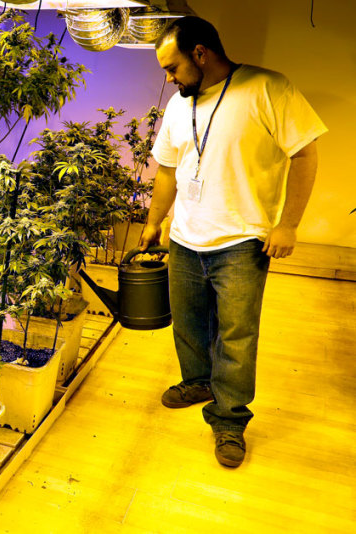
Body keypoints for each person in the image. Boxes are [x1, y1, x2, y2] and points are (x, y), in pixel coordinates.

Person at [140, 16, 327, 468]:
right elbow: (167, 171)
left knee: (237, 336)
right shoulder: (178, 106)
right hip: (185, 238)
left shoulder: (267, 88)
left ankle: (229, 420)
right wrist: (153, 223)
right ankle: (199, 380)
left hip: (243, 240)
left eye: (173, 67)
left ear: (200, 53)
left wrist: (289, 224)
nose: (168, 78)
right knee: (188, 323)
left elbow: (304, 152)